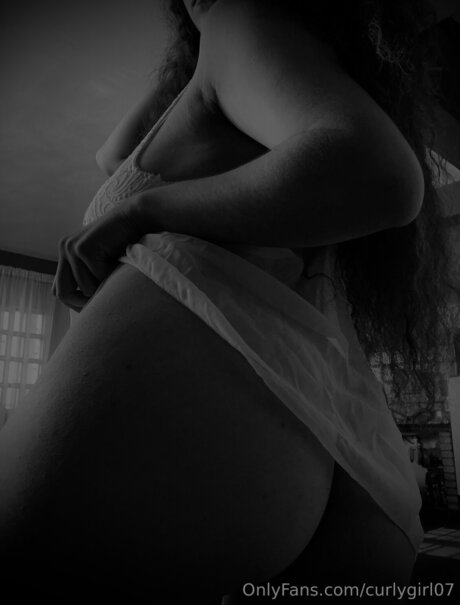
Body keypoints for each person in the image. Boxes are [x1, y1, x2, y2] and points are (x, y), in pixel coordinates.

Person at [0, 0, 458, 602]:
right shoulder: (233, 56)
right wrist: (194, 56)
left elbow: (379, 173)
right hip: (326, 439)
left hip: (220, 435)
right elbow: (113, 156)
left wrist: (140, 210)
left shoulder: (240, 18)